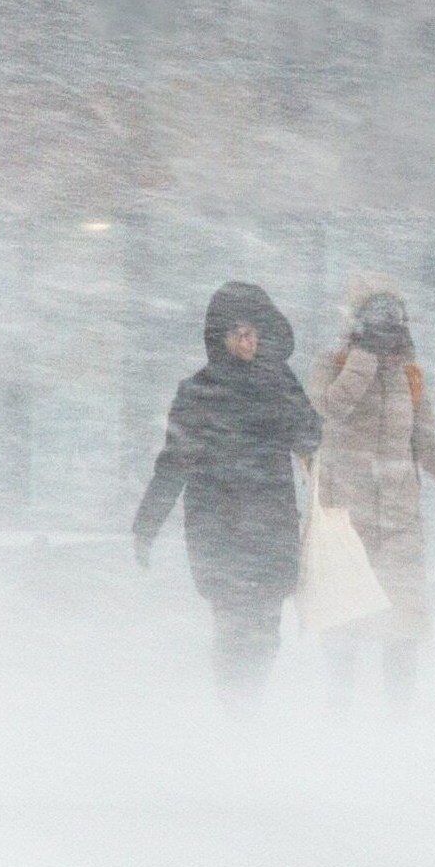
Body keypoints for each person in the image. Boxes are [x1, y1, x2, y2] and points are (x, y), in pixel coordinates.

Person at [134, 282, 322, 712]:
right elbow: (173, 463)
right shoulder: (198, 393)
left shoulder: (277, 384)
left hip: (271, 525)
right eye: (238, 332)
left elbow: (311, 437)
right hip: (219, 528)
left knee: (267, 631)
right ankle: (236, 711)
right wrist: (147, 523)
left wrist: (283, 385)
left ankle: (246, 708)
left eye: (254, 332)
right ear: (220, 337)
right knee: (233, 626)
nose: (247, 341)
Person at [311, 278, 435, 712]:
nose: (389, 331)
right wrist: (362, 360)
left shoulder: (410, 378)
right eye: (378, 322)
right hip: (346, 515)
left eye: (394, 322)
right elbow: (330, 408)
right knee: (345, 617)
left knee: (403, 621)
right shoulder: (333, 363)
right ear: (359, 325)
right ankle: (340, 708)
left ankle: (399, 713)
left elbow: (427, 439)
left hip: (400, 521)